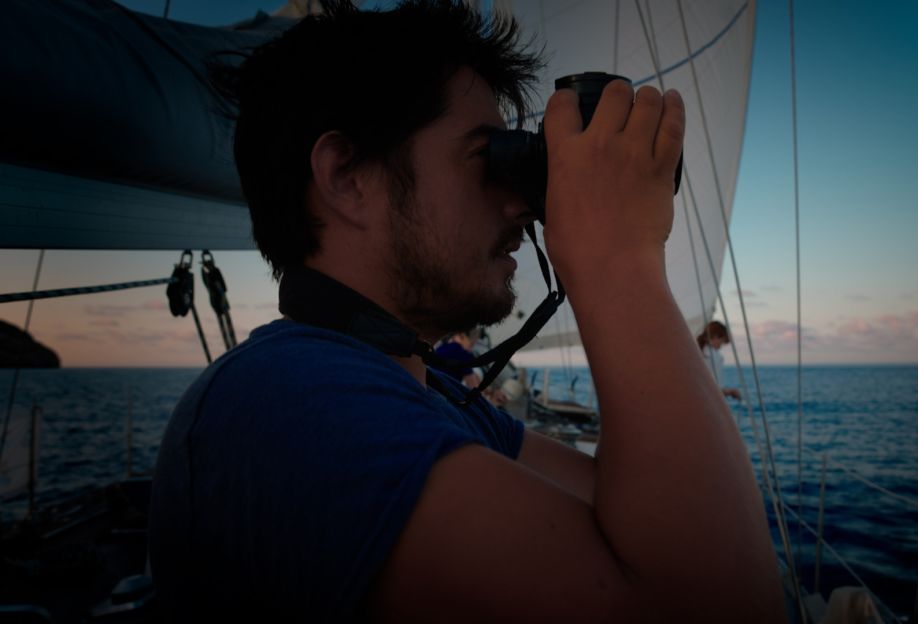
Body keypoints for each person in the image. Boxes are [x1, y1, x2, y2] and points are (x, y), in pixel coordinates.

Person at [148, 1, 785, 621]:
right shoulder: (281, 403)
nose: (524, 205)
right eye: (488, 159)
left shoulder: (432, 398)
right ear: (346, 177)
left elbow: (640, 521)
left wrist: (607, 245)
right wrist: (618, 257)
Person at [698, 320, 743, 399]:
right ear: (715, 337)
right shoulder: (716, 357)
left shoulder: (696, 351)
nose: (720, 347)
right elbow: (717, 390)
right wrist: (731, 392)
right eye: (721, 342)